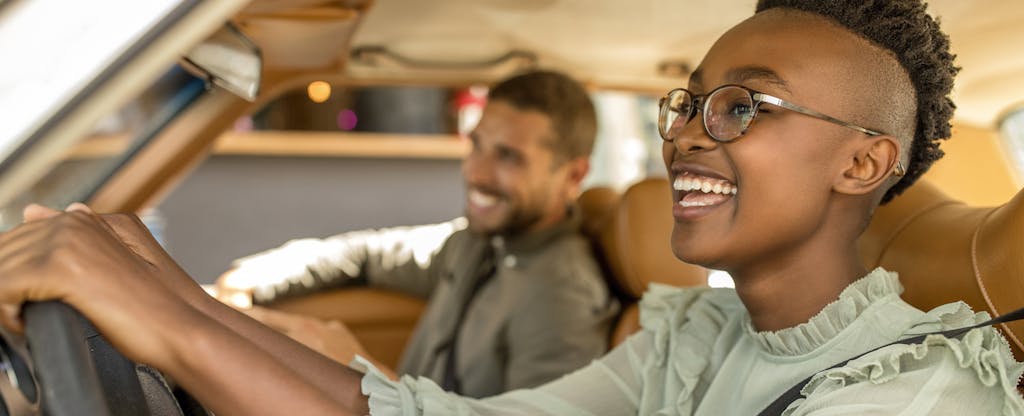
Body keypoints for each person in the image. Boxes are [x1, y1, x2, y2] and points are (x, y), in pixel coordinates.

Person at [1, 0, 1023, 415]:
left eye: (740, 105)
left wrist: (174, 322)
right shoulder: (697, 332)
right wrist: (156, 287)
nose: (683, 133)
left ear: (863, 162)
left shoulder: (916, 394)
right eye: (687, 101)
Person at [211, 69, 619, 398]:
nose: (475, 172)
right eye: (477, 145)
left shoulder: (563, 296)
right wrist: (257, 276)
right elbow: (367, 253)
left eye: (508, 157)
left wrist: (364, 372)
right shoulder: (471, 244)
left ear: (574, 175)